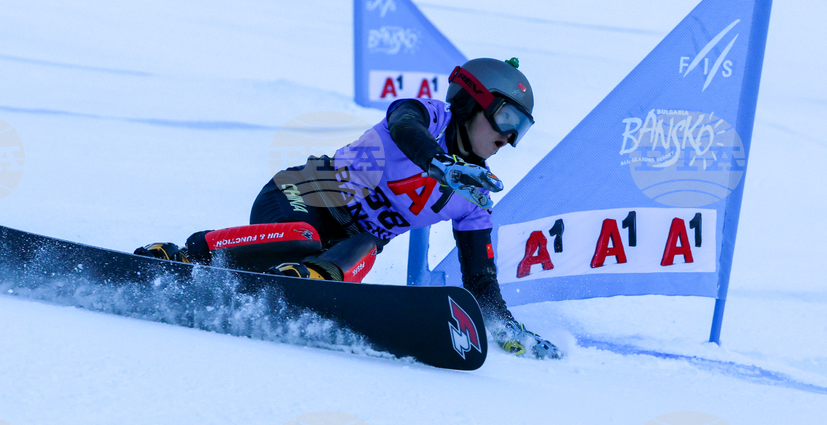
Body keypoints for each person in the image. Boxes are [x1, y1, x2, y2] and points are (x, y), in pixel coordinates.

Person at [136, 58, 561, 360]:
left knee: (365, 245)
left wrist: (508, 331)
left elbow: (481, 282)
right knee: (304, 237)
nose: (509, 137)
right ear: (471, 103)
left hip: (344, 247)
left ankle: (304, 281)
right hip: (302, 194)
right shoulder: (430, 117)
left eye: (520, 129)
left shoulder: (476, 199)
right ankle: (186, 254)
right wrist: (439, 165)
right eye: (506, 120)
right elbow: (404, 127)